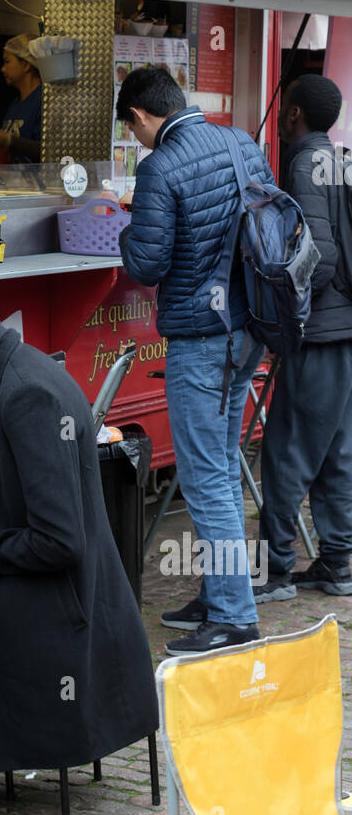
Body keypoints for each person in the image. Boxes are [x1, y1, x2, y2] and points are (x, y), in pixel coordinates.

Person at [0, 259, 159, 783]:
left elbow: (59, 541)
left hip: (59, 610)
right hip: (59, 594)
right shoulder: (11, 371)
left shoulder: (25, 391)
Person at [116, 65, 274, 653]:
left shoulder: (160, 166)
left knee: (206, 474)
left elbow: (148, 265)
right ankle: (219, 594)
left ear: (140, 117)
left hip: (201, 339)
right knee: (223, 466)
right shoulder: (240, 141)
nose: (135, 140)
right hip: (246, 328)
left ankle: (233, 614)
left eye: (131, 130)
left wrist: (130, 225)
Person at [257, 74, 352, 603]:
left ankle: (274, 571)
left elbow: (318, 258)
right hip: (347, 331)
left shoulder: (301, 161)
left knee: (287, 452)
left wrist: (287, 315)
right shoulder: (342, 159)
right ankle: (336, 564)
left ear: (293, 115)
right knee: (338, 452)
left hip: (318, 333)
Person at [0, 34, 43, 163]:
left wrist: (9, 140)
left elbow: (48, 151)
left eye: (7, 61)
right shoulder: (15, 104)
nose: (2, 69)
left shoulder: (43, 101)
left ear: (26, 65)